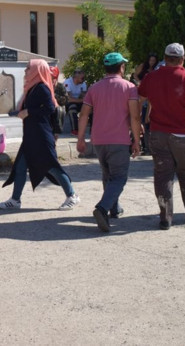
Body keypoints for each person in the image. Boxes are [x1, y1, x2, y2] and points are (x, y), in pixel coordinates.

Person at [138, 43, 185, 230]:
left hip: (158, 134)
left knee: (163, 175)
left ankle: (165, 218)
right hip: (184, 136)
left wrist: (138, 122)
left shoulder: (151, 77)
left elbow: (139, 99)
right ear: (182, 59)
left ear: (165, 56)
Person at [0, 60, 80, 211]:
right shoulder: (32, 87)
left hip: (41, 135)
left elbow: (50, 108)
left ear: (37, 70)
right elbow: (34, 108)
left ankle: (72, 195)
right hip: (31, 135)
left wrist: (28, 112)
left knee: (51, 166)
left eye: (29, 68)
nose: (26, 71)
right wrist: (20, 113)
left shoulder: (42, 87)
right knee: (21, 167)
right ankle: (15, 200)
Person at [76, 53, 141, 233]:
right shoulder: (129, 87)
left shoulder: (94, 88)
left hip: (98, 140)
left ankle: (114, 208)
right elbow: (135, 117)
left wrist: (80, 139)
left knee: (108, 175)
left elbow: (83, 115)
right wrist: (136, 140)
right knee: (119, 177)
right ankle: (103, 208)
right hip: (119, 140)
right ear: (121, 67)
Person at [63, 69, 88, 135]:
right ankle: (75, 130)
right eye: (82, 78)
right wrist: (81, 100)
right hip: (68, 103)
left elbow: (84, 96)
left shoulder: (83, 84)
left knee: (90, 107)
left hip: (78, 102)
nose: (84, 80)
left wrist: (83, 99)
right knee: (72, 107)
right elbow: (69, 99)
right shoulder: (67, 83)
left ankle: (93, 128)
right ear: (76, 77)